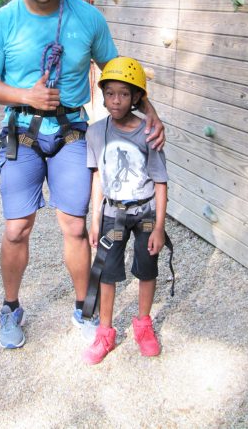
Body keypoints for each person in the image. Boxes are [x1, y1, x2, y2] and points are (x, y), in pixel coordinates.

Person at [0, 0, 165, 349]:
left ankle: (85, 307)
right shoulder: (4, 21)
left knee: (75, 226)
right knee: (17, 228)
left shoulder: (85, 18)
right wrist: (26, 95)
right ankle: (11, 308)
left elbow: (118, 72)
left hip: (71, 133)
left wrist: (149, 112)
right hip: (20, 133)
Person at [82, 56, 168, 365]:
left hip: (144, 213)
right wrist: (95, 221)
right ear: (102, 94)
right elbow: (97, 177)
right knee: (107, 272)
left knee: (147, 268)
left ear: (136, 98)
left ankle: (143, 324)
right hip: (112, 214)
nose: (116, 100)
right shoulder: (94, 132)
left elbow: (160, 180)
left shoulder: (149, 131)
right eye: (110, 93)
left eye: (124, 94)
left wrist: (159, 225)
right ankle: (105, 331)